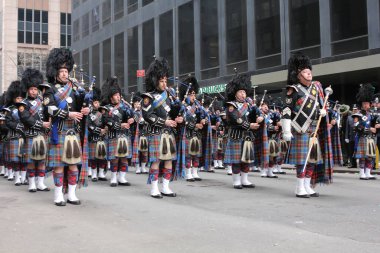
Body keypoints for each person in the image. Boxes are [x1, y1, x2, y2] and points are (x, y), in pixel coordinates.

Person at [282, 53, 334, 198]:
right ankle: (299, 187)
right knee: (302, 161)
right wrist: (286, 131)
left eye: (309, 71)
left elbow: (316, 108)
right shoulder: (293, 90)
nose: (309, 73)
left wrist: (322, 112)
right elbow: (286, 112)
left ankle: (307, 185)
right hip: (300, 129)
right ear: (298, 75)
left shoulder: (316, 88)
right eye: (305, 71)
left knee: (311, 160)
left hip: (313, 130)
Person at [44, 48, 89, 206]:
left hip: (73, 132)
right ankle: (58, 195)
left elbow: (85, 104)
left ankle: (71, 194)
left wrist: (86, 109)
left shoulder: (75, 88)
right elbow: (50, 109)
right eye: (61, 71)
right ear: (55, 72)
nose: (64, 73)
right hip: (60, 130)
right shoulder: (49, 89)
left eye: (66, 70)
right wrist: (68, 114)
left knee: (73, 164)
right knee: (58, 165)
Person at [141, 57, 182, 198]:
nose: (165, 84)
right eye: (161, 81)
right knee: (156, 161)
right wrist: (165, 122)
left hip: (168, 132)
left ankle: (166, 187)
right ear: (155, 80)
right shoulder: (148, 97)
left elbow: (172, 113)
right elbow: (148, 116)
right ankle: (154, 188)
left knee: (169, 159)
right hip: (156, 132)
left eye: (166, 81)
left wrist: (178, 118)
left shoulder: (169, 96)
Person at [224, 74, 262, 189]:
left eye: (244, 92)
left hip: (247, 136)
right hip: (236, 135)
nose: (243, 94)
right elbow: (237, 119)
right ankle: (236, 181)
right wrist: (250, 125)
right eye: (240, 92)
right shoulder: (231, 106)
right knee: (236, 160)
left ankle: (245, 179)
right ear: (235, 93)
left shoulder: (250, 105)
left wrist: (260, 117)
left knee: (246, 159)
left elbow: (258, 112)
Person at [17, 68, 51, 191]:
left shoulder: (42, 102)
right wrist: (42, 124)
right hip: (30, 135)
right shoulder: (23, 104)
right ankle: (31, 183)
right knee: (31, 161)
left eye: (35, 89)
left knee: (41, 160)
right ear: (27, 89)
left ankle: (40, 183)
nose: (33, 91)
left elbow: (48, 115)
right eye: (31, 89)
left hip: (42, 135)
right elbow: (26, 119)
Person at [101, 77, 135, 187]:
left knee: (124, 157)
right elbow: (107, 121)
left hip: (125, 136)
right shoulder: (106, 108)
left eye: (119, 95)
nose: (118, 96)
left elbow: (135, 115)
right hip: (113, 136)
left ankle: (122, 177)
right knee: (114, 158)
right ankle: (114, 177)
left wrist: (132, 119)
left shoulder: (125, 107)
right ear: (111, 97)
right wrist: (120, 125)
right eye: (116, 95)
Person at [354, 83, 378, 180]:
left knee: (370, 156)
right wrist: (368, 129)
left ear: (370, 104)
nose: (365, 105)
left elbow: (375, 124)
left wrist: (376, 127)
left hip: (371, 138)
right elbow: (356, 126)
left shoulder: (372, 114)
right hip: (363, 137)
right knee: (363, 156)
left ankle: (368, 173)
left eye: (367, 103)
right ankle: (362, 173)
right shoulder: (358, 114)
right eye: (364, 104)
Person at [5, 81, 26, 183]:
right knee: (16, 160)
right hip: (14, 136)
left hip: (25, 136)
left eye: (21, 98)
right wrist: (17, 126)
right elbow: (7, 122)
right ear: (13, 99)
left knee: (25, 159)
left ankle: (23, 177)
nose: (19, 100)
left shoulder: (26, 108)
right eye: (17, 98)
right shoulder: (9, 109)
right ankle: (17, 178)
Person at [87, 87, 108, 182]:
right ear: (92, 103)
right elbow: (89, 125)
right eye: (95, 102)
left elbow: (107, 122)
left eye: (98, 102)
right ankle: (94, 174)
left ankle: (101, 174)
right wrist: (100, 130)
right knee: (93, 158)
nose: (97, 104)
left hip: (102, 138)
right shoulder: (89, 114)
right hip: (93, 137)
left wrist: (106, 128)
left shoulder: (102, 113)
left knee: (102, 157)